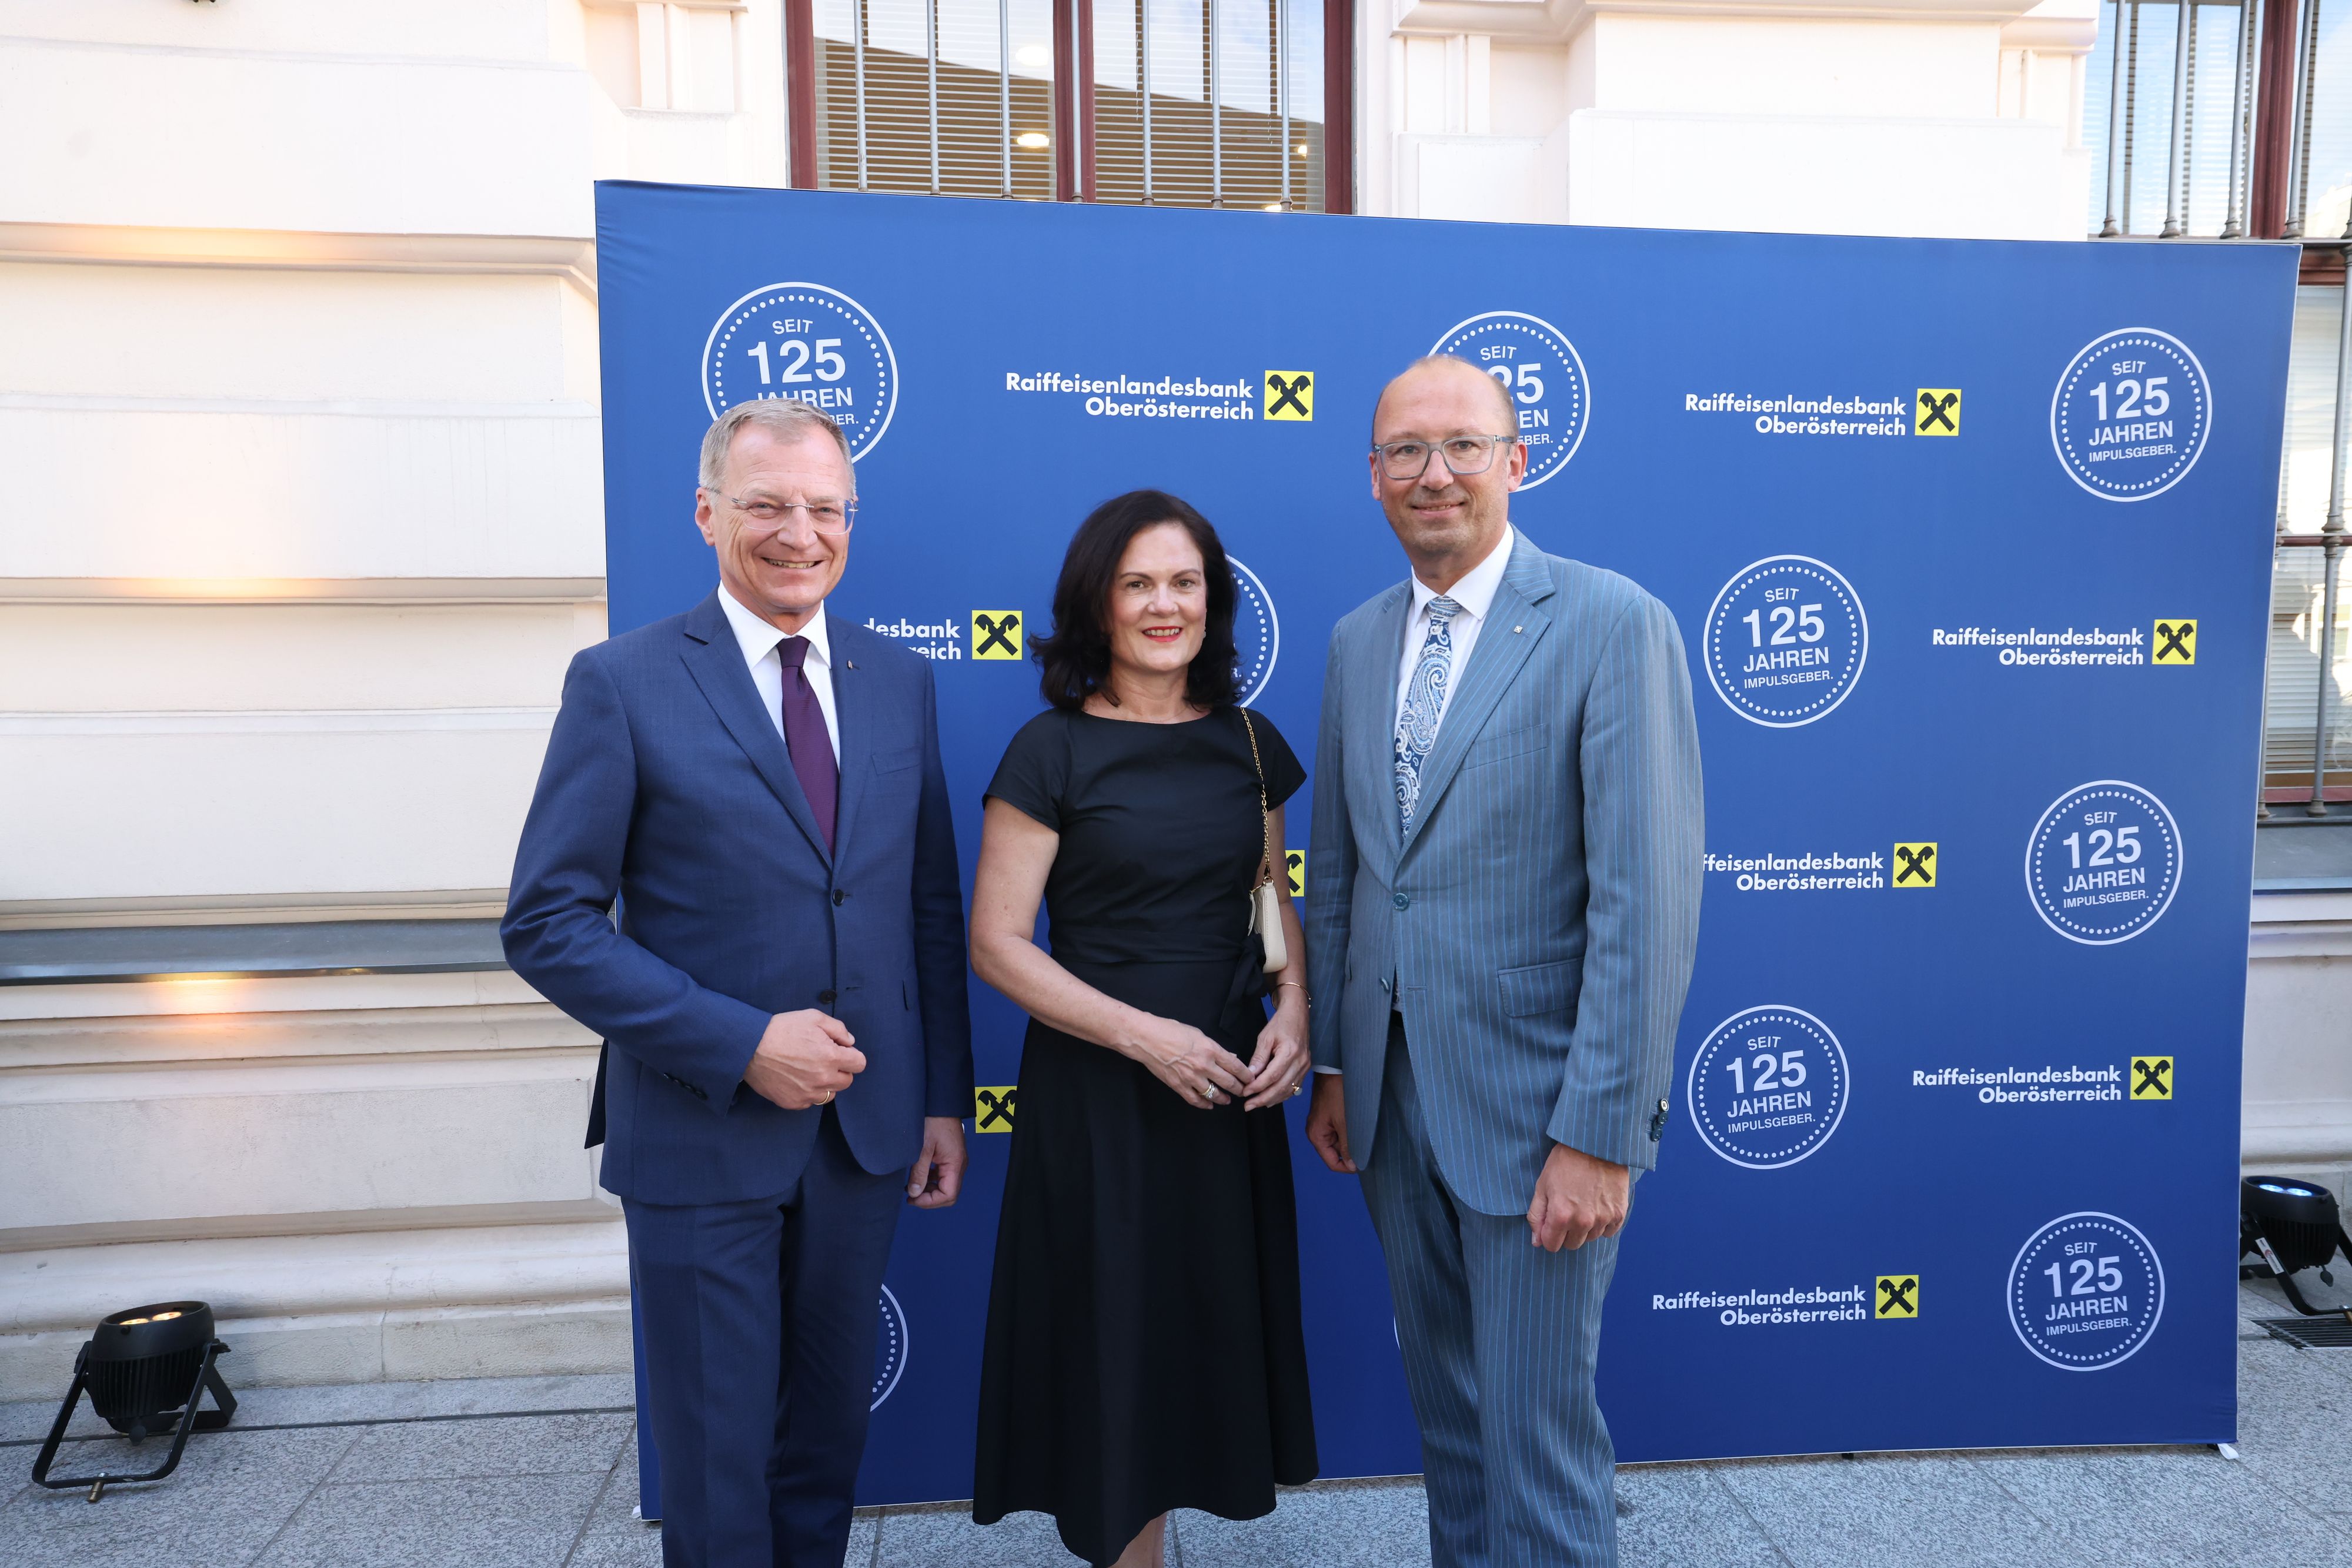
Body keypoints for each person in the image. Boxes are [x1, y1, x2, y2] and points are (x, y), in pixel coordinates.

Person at [502, 399, 974, 1567]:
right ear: (708, 512)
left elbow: (922, 905)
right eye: (767, 504)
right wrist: (738, 1038)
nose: (797, 531)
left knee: (821, 1450)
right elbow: (547, 920)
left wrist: (939, 1099)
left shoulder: (896, 680)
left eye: (824, 507)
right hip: (700, 1131)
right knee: (716, 1472)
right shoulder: (621, 681)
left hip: (861, 1137)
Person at [1302, 356, 1702, 1567]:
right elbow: (1343, 875)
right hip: (1390, 1101)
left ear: (1515, 461)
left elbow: (1645, 899)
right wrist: (1333, 1063)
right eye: (1405, 450)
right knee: (1453, 1426)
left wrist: (1599, 1131)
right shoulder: (1356, 640)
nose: (1434, 472)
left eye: (1462, 445)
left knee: (1535, 1441)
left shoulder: (1609, 622)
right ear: (1371, 477)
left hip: (1540, 1117)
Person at [967, 491, 1320, 1568]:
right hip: (1105, 1099)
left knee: (1187, 1352)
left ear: (1212, 602)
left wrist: (1298, 1010)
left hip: (1224, 1097)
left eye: (1185, 583)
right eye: (1138, 585)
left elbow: (1272, 902)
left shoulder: (1251, 743)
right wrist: (1144, 1038)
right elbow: (997, 943)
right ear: (1098, 603)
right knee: (1115, 1354)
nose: (1164, 605)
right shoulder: (1051, 750)